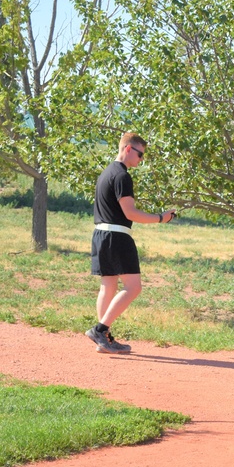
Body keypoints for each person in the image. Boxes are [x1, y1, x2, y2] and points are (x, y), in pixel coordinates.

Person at [87, 132, 176, 354]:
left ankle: (103, 338)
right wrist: (160, 218)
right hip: (117, 236)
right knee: (134, 287)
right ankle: (100, 330)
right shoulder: (122, 176)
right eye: (139, 154)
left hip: (101, 235)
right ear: (128, 149)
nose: (141, 160)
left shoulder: (107, 172)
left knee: (108, 286)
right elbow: (131, 212)